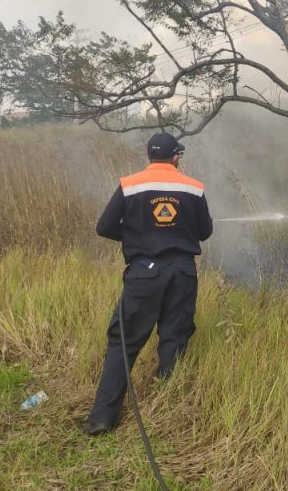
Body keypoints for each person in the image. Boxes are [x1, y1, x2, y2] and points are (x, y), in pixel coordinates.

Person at [83, 132, 213, 436]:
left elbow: (104, 227)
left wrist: (136, 236)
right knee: (175, 335)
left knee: (124, 340)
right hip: (182, 272)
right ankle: (168, 407)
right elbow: (204, 232)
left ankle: (102, 418)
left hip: (144, 272)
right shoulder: (193, 188)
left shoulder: (130, 185)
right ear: (176, 157)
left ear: (150, 156)